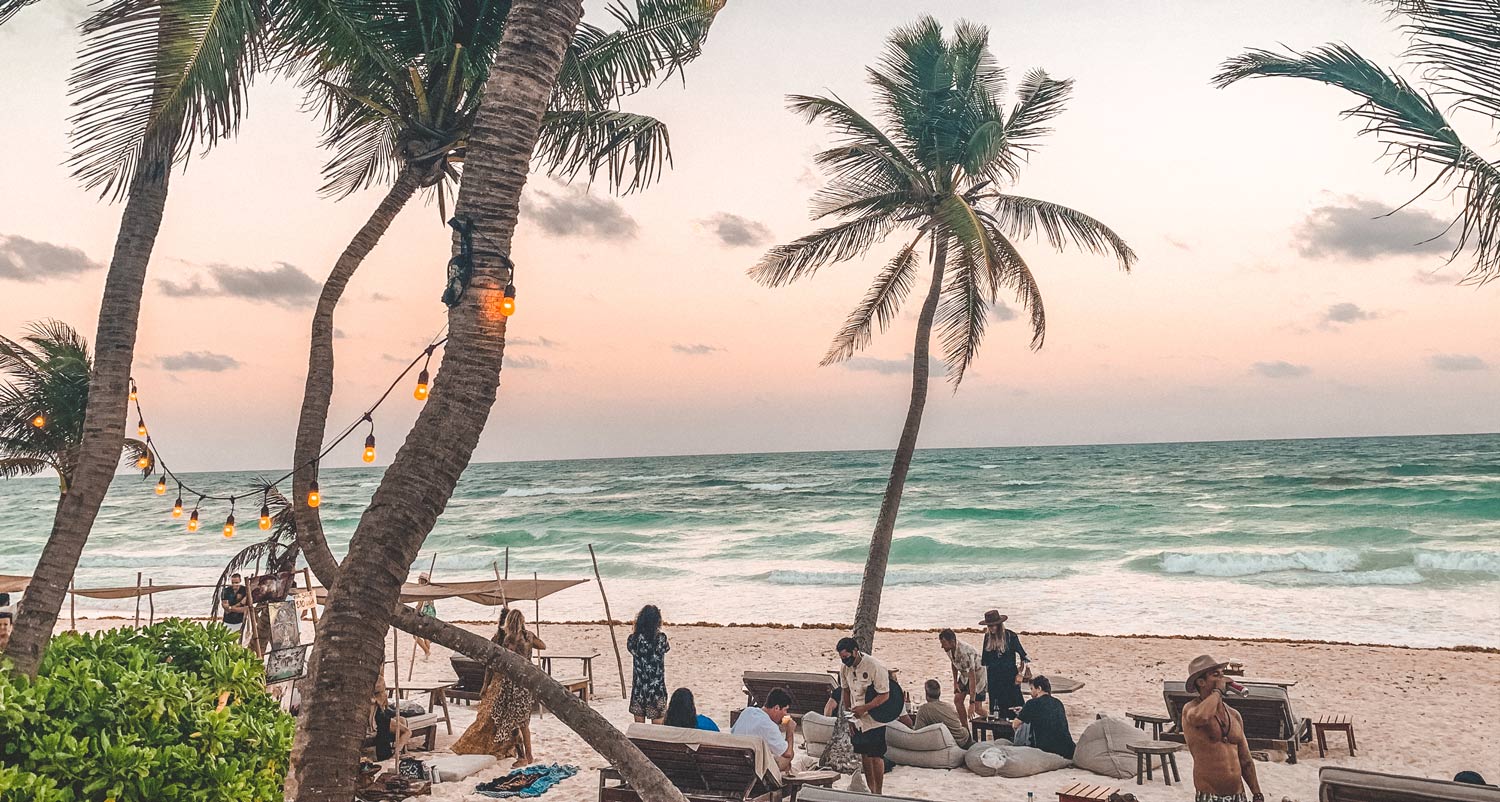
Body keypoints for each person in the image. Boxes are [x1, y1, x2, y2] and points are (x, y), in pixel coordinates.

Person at [1181, 655, 1265, 802]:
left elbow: (1245, 759)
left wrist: (1257, 793)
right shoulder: (1191, 709)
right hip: (1209, 795)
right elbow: (1202, 717)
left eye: (1222, 674)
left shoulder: (1234, 715)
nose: (1222, 679)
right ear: (1201, 682)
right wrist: (1218, 691)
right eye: (1216, 675)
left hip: (1238, 795)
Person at [490, 608, 547, 768]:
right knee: (523, 722)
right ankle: (528, 755)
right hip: (526, 683)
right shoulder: (528, 636)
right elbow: (542, 646)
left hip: (513, 683)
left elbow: (503, 658)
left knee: (512, 721)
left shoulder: (509, 639)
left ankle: (523, 756)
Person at [837, 637, 893, 794]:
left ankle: (878, 792)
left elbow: (885, 695)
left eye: (847, 658)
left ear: (855, 651)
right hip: (857, 717)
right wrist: (850, 717)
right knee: (864, 755)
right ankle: (871, 789)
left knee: (876, 755)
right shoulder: (845, 668)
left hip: (875, 716)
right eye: (842, 659)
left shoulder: (875, 666)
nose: (845, 662)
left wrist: (865, 708)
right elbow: (846, 690)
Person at [730, 687, 796, 771]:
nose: (785, 714)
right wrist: (790, 731)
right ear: (776, 708)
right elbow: (788, 753)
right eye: (785, 710)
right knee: (786, 758)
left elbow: (733, 731)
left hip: (735, 763)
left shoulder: (747, 711)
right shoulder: (769, 725)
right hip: (754, 770)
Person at [1008, 675, 1074, 758]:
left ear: (1039, 689)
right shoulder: (1058, 703)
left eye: (1032, 689)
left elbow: (1015, 724)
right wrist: (1024, 710)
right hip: (1068, 750)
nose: (1030, 692)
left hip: (1047, 750)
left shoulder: (1032, 703)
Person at [979, 609, 1028, 718]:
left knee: (1015, 707)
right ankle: (998, 734)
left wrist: (1020, 674)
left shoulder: (1011, 636)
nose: (991, 628)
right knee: (997, 709)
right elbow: (985, 662)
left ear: (999, 624)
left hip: (1010, 677)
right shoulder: (987, 637)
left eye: (993, 625)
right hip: (994, 679)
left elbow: (1023, 657)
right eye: (989, 626)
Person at [627, 604, 670, 723]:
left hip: (639, 688)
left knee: (640, 728)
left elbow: (631, 649)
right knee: (656, 731)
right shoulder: (661, 638)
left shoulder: (633, 639)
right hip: (656, 689)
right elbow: (666, 649)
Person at [939, 628, 986, 720]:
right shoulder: (949, 649)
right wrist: (955, 683)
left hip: (978, 675)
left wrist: (971, 702)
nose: (942, 646)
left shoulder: (965, 652)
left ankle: (990, 718)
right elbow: (953, 663)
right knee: (958, 700)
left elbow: (972, 677)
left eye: (943, 643)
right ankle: (965, 729)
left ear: (952, 641)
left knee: (977, 709)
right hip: (964, 674)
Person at [914, 679, 972, 747]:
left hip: (957, 742)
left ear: (926, 694)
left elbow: (918, 734)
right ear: (939, 693)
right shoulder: (948, 706)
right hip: (965, 737)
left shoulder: (924, 709)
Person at [370, 674, 412, 761]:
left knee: (401, 719)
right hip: (380, 721)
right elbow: (407, 732)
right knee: (406, 730)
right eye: (383, 691)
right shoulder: (376, 709)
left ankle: (399, 751)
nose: (385, 694)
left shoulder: (373, 704)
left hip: (382, 717)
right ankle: (396, 754)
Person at [414, 571, 437, 659]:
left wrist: (415, 612)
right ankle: (427, 655)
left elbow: (420, 604)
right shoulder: (430, 590)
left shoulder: (422, 590)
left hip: (425, 615)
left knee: (415, 635)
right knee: (426, 635)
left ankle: (427, 652)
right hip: (431, 615)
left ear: (421, 580)